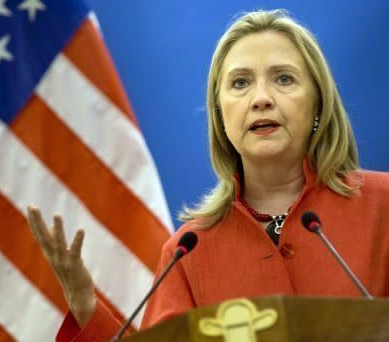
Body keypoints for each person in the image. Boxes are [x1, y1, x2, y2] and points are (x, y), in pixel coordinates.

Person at [27, 9, 389, 341]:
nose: (261, 98)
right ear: (221, 115)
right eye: (240, 83)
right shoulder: (189, 252)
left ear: (318, 105)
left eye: (283, 78)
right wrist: (84, 305)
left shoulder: (382, 208)